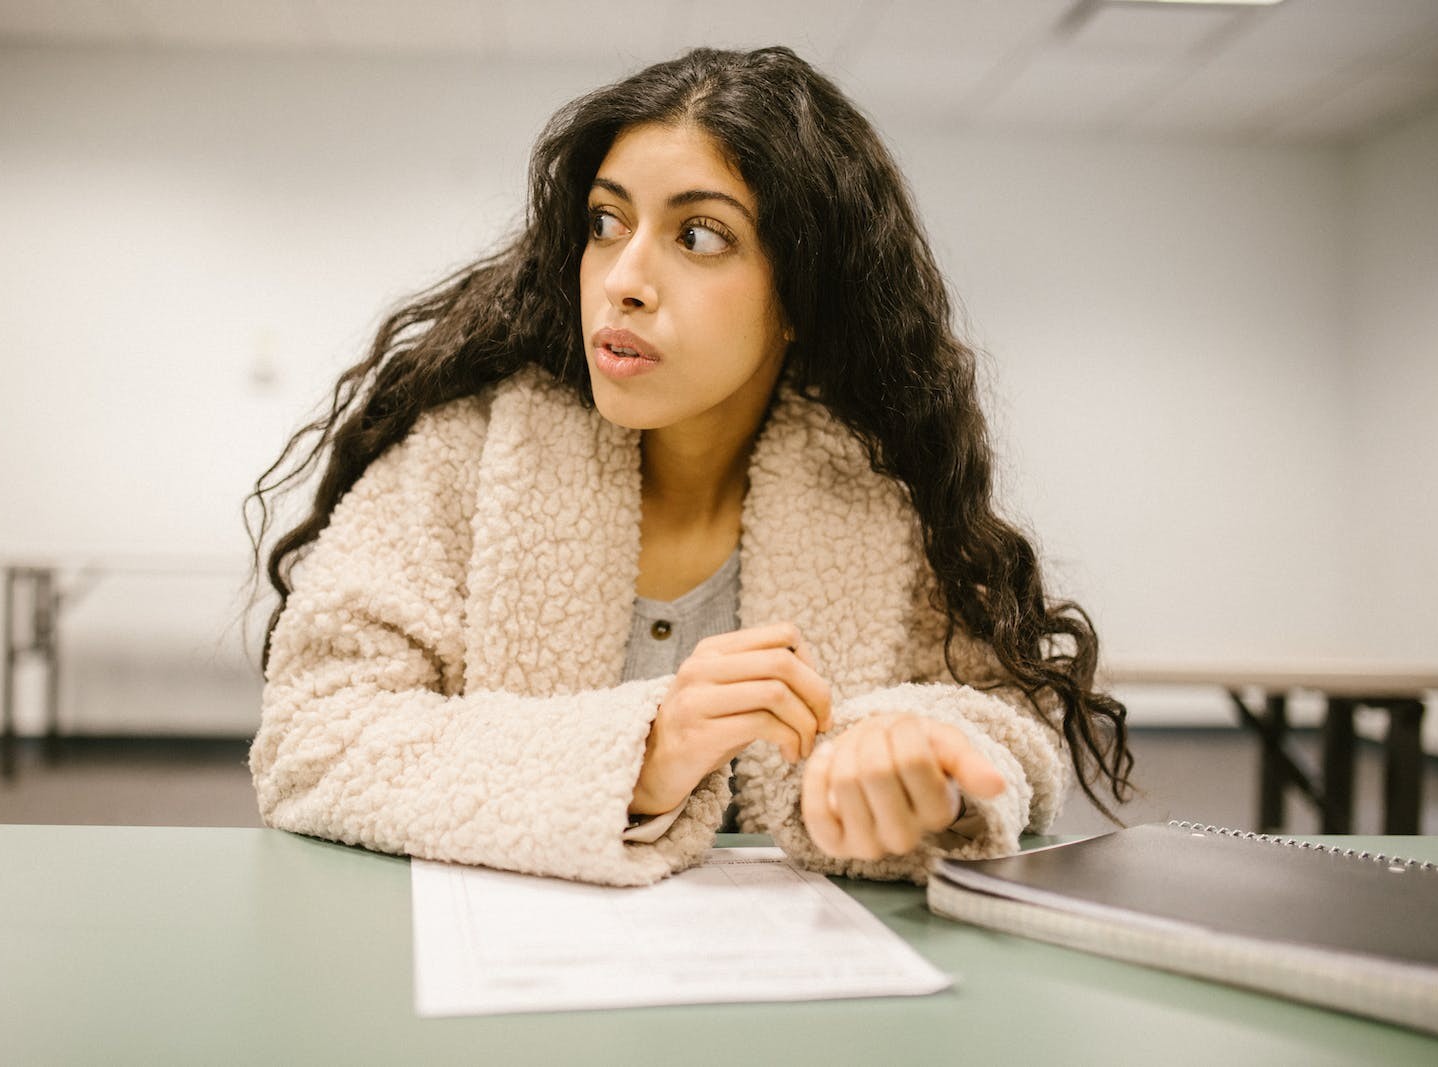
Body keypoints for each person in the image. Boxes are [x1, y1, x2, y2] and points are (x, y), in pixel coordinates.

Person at [245, 45, 1132, 887]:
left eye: (700, 236)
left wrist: (919, 766)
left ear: (799, 297)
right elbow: (311, 738)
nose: (623, 278)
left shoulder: (885, 498)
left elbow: (1010, 728)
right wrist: (644, 753)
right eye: (605, 221)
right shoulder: (463, 455)